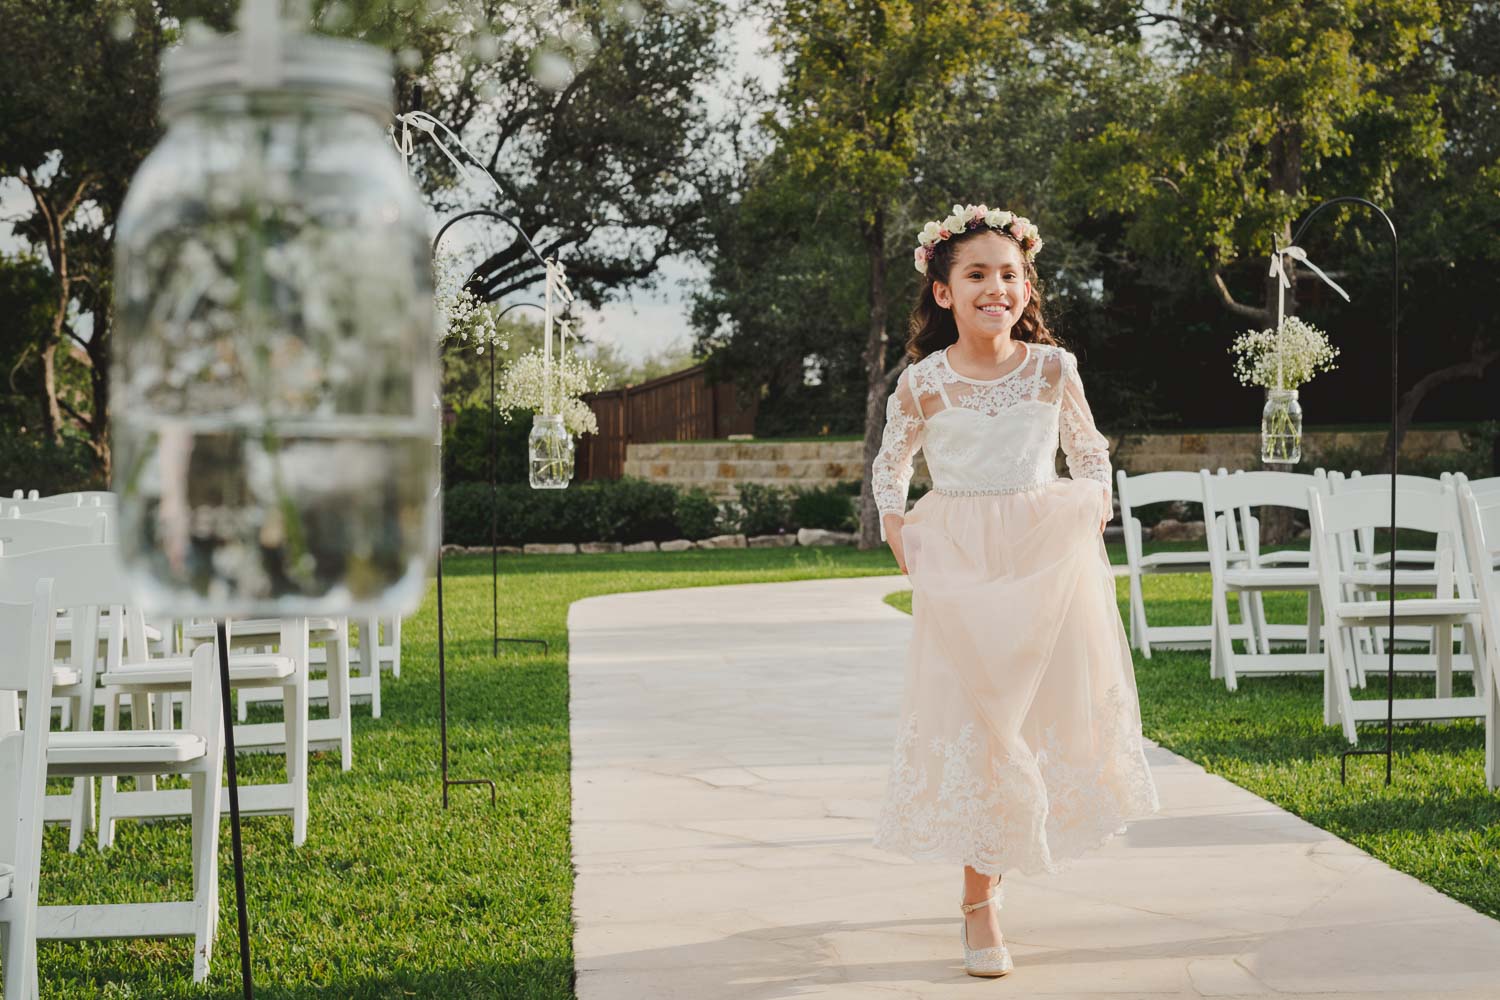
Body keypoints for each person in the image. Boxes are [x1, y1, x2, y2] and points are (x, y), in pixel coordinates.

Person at [870, 203, 1159, 978]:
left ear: (1026, 287)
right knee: (980, 721)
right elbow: (890, 466)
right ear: (943, 293)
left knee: (1031, 721)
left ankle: (999, 870)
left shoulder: (1053, 370)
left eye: (1009, 274)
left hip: (1043, 562)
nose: (995, 287)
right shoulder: (923, 383)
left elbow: (1090, 455)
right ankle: (979, 903)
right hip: (962, 569)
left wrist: (1092, 506)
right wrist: (899, 528)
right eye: (976, 275)